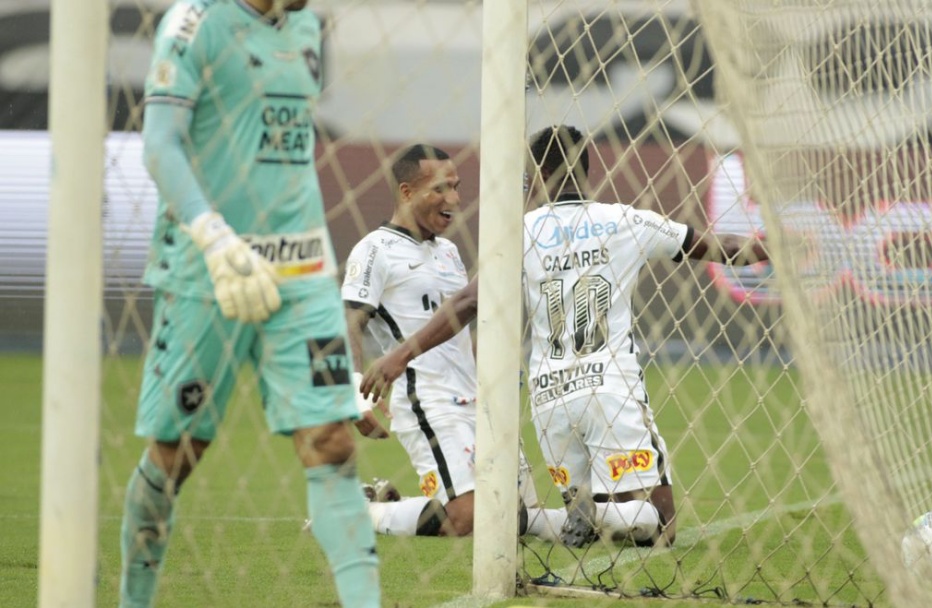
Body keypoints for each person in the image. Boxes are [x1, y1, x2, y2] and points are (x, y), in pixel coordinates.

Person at [360, 125, 767, 547]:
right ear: (587, 168)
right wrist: (770, 249)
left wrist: (400, 354)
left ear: (535, 175)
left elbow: (468, 303)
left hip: (550, 401)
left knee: (597, 532)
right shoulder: (624, 220)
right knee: (658, 526)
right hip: (611, 389)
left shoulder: (520, 233)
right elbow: (717, 247)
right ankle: (599, 511)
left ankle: (564, 514)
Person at [120, 2, 378, 607]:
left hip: (303, 270)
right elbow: (160, 145)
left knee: (332, 443)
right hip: (209, 269)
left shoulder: (308, 23)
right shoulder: (193, 24)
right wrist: (214, 238)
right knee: (177, 453)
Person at [341, 144, 564, 540]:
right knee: (470, 518)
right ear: (407, 192)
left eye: (457, 187)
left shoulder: (448, 252)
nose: (454, 200)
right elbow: (349, 322)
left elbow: (456, 329)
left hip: (475, 400)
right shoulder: (374, 250)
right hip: (427, 401)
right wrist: (354, 397)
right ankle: (358, 514)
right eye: (441, 189)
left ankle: (603, 523)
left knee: (517, 515)